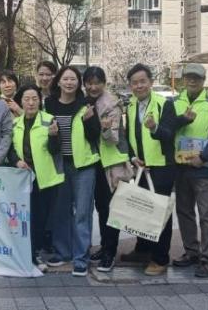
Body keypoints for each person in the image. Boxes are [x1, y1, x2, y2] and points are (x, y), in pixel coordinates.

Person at [43, 66, 100, 276]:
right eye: (65, 79)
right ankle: (62, 251)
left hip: (83, 166)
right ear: (58, 81)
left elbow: (94, 137)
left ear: (78, 83)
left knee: (82, 212)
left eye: (73, 79)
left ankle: (81, 257)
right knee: (60, 210)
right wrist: (51, 135)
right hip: (60, 165)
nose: (69, 83)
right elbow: (47, 139)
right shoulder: (49, 105)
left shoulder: (85, 105)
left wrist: (90, 120)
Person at [122, 63, 177, 276]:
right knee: (142, 209)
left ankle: (160, 258)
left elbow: (170, 135)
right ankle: (143, 250)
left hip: (161, 166)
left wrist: (155, 128)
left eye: (142, 81)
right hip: (140, 166)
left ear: (151, 82)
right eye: (134, 83)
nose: (139, 86)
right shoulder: (131, 106)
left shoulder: (165, 104)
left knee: (160, 213)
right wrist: (132, 157)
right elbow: (129, 135)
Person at [171, 63, 208, 278]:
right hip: (180, 167)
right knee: (184, 212)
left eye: (197, 78)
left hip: (203, 167)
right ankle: (192, 252)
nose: (192, 81)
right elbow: (169, 128)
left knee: (206, 215)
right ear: (183, 79)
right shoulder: (174, 101)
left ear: (203, 80)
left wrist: (203, 158)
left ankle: (207, 259)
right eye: (189, 77)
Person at [7, 84, 63, 272]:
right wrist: (17, 161)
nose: (30, 103)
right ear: (21, 102)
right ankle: (26, 253)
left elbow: (56, 150)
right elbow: (10, 149)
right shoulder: (15, 123)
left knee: (39, 218)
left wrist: (54, 136)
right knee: (22, 217)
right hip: (21, 178)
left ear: (40, 101)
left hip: (44, 179)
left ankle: (35, 253)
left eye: (34, 99)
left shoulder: (49, 120)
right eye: (26, 99)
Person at [83, 66, 131, 273]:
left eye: (97, 83)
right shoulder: (84, 101)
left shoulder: (112, 105)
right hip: (93, 162)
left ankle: (110, 253)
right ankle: (104, 246)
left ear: (104, 83)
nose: (93, 87)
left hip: (110, 165)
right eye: (89, 83)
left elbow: (113, 139)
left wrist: (104, 128)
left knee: (112, 209)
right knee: (101, 208)